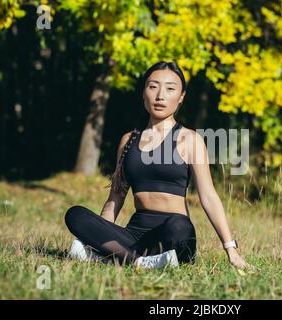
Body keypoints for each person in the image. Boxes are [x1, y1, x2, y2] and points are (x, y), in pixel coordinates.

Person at [65, 61, 252, 270]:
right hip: (134, 235)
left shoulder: (190, 139)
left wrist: (231, 250)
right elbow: (115, 198)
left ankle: (114, 258)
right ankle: (139, 262)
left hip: (172, 235)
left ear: (181, 97)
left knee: (179, 226)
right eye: (153, 86)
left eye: (170, 89)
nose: (160, 95)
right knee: (76, 215)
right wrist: (100, 233)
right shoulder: (128, 140)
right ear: (144, 92)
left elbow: (208, 196)